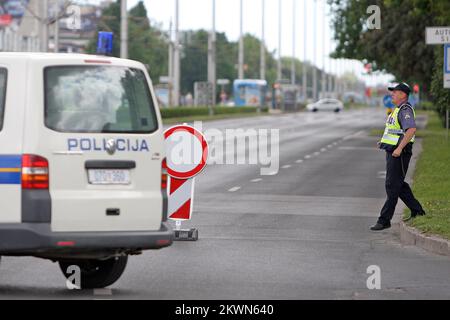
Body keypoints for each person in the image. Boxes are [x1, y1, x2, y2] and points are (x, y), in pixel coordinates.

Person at [370, 82, 426, 231]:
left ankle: (384, 220)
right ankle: (417, 210)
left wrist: (400, 148)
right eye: (392, 92)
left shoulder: (405, 109)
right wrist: (383, 142)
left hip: (399, 153)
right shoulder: (398, 109)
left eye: (395, 92)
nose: (392, 94)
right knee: (399, 184)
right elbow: (395, 131)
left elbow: (411, 129)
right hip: (393, 151)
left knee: (392, 185)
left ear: (403, 94)